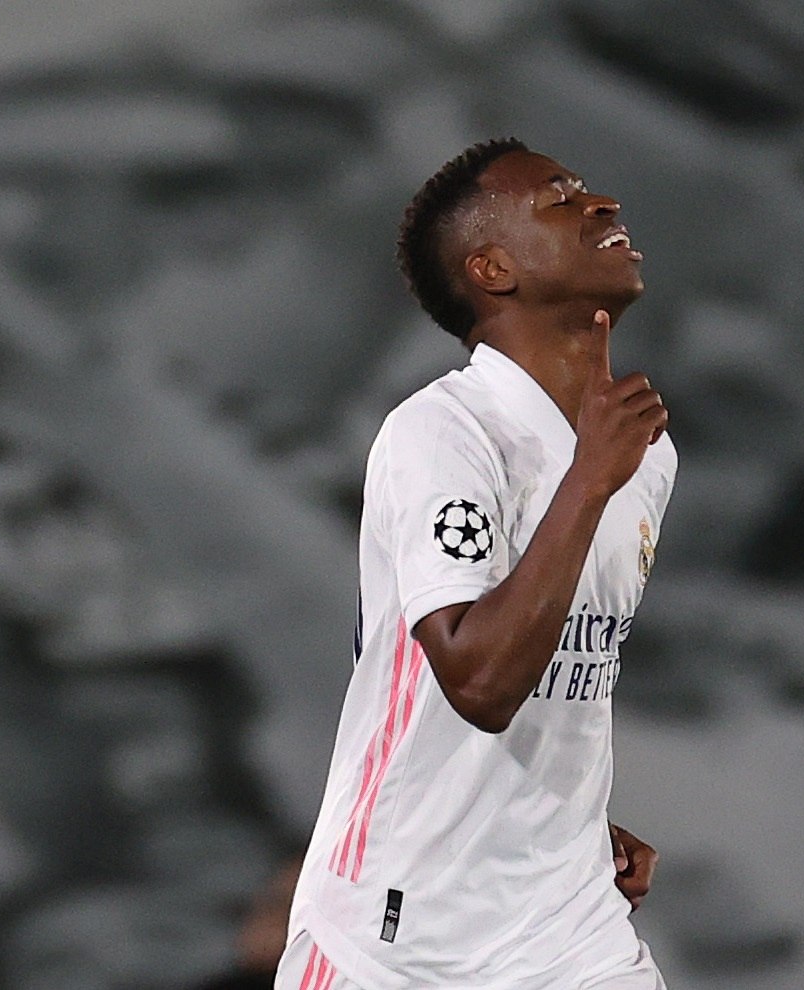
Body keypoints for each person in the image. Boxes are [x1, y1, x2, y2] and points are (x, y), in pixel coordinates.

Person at [276, 138, 676, 990]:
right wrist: (590, 481)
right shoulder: (441, 434)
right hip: (394, 939)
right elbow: (481, 681)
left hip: (567, 931)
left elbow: (566, 670)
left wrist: (574, 819)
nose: (602, 204)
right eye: (561, 201)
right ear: (493, 270)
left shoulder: (647, 452)